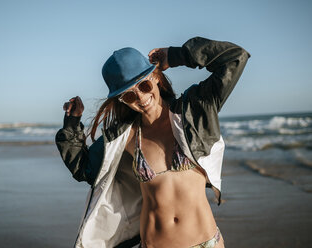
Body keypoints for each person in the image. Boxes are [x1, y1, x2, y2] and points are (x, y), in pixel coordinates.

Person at [56, 36, 250, 248]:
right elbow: (84, 169)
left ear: (155, 76)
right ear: (121, 100)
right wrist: (72, 123)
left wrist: (177, 55)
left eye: (144, 85)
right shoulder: (124, 137)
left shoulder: (194, 112)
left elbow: (235, 58)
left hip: (206, 243)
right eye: (129, 96)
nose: (140, 97)